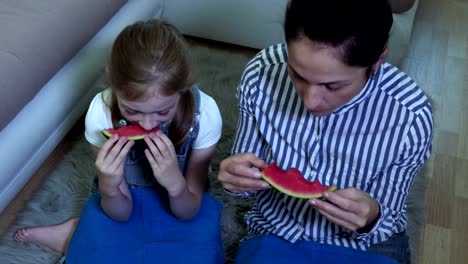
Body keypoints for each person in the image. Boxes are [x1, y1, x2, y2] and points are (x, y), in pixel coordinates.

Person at [218, 0, 432, 264]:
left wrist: (372, 215)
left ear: (377, 62)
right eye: (297, 74)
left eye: (333, 86)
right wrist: (236, 178)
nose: (310, 101)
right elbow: (247, 175)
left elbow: (387, 218)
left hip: (364, 243)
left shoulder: (410, 116)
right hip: (278, 228)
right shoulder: (260, 76)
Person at [14, 19, 224, 263]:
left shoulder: (205, 114)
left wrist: (175, 184)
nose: (146, 125)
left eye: (163, 111)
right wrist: (109, 185)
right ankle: (77, 231)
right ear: (112, 83)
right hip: (124, 200)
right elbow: (120, 213)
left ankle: (76, 232)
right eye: (132, 111)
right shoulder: (101, 113)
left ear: (183, 88)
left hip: (184, 199)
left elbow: (189, 212)